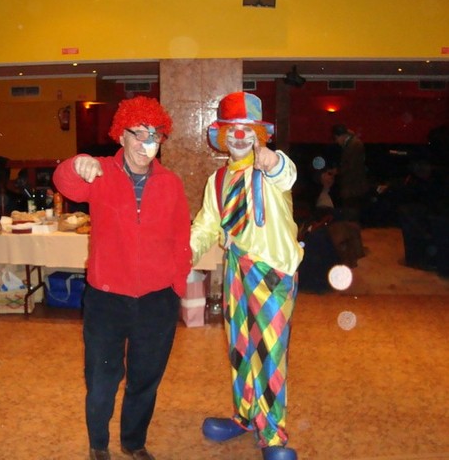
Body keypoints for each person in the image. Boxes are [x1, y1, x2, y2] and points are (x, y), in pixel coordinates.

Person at [53, 96, 192, 460]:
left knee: (145, 379)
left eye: (155, 134)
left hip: (157, 300)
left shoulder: (171, 183)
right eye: (139, 133)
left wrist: (176, 286)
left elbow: (181, 238)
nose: (147, 142)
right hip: (107, 298)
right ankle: (98, 444)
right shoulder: (99, 172)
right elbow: (66, 183)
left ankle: (134, 442)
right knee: (101, 379)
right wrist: (76, 163)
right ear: (121, 135)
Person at [190, 92, 303, 460]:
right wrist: (180, 255)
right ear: (222, 136)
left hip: (272, 271)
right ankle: (245, 416)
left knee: (269, 352)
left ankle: (273, 435)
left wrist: (273, 160)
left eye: (247, 130)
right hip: (236, 269)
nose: (239, 136)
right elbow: (206, 226)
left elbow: (286, 174)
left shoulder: (270, 169)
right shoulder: (217, 180)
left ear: (259, 135)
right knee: (239, 347)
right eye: (231, 130)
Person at [331, 124, 369, 222]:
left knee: (352, 213)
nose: (337, 141)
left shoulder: (354, 145)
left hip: (353, 186)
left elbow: (351, 166)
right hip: (353, 186)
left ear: (341, 136)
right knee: (351, 212)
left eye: (336, 138)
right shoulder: (353, 143)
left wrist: (338, 171)